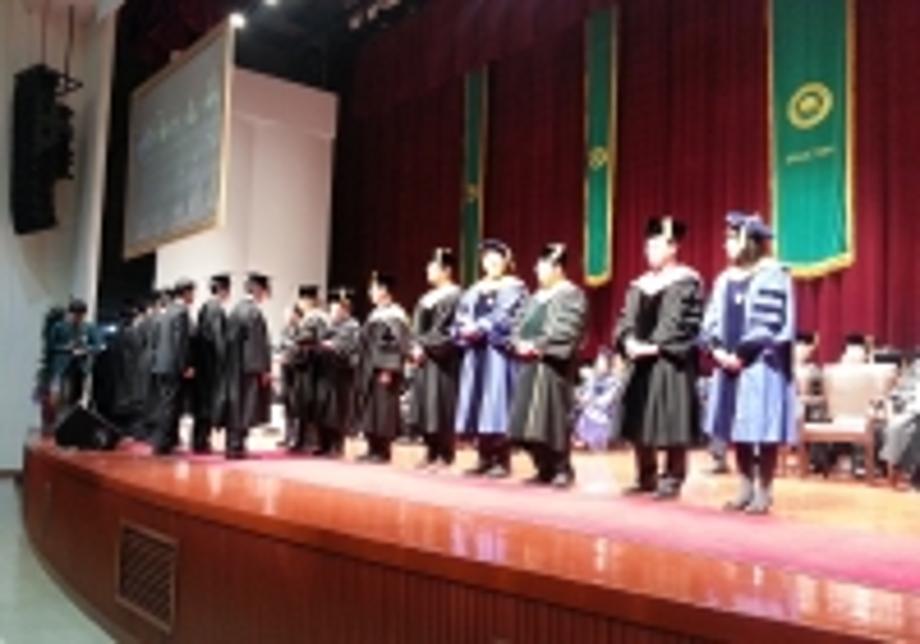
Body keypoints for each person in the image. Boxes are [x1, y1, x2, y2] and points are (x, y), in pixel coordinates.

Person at [703, 211, 797, 514]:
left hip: (760, 365)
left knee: (763, 431)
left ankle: (764, 491)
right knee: (737, 428)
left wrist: (742, 355)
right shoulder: (724, 280)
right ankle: (744, 488)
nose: (725, 245)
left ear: (749, 241)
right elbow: (711, 322)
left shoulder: (773, 274)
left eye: (731, 238)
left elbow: (771, 322)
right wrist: (718, 351)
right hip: (728, 365)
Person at [614, 217, 703, 500]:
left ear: (673, 247)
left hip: (669, 362)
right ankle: (646, 475)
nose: (648, 250)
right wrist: (628, 340)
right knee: (640, 417)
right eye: (647, 245)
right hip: (640, 360)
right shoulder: (639, 285)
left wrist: (655, 347)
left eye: (655, 245)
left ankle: (673, 477)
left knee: (671, 418)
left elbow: (681, 323)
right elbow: (625, 319)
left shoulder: (686, 281)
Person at [509, 243, 588, 487]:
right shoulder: (535, 298)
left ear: (557, 268)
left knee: (552, 418)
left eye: (541, 265)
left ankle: (562, 468)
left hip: (554, 367)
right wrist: (518, 342)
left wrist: (538, 345)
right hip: (530, 364)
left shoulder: (571, 295)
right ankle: (543, 467)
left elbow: (568, 329)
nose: (536, 270)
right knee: (526, 420)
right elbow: (518, 324)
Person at [454, 239, 528, 478]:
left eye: (496, 259)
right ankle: (484, 456)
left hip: (498, 354)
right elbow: (461, 316)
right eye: (487, 259)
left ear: (506, 262)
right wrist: (463, 329)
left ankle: (501, 459)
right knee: (476, 402)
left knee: (497, 404)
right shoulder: (473, 290)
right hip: (476, 354)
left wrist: (482, 327)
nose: (491, 263)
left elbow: (509, 317)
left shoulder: (515, 288)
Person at [408, 247, 462, 470]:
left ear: (447, 270)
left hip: (443, 361)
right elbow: (415, 329)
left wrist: (424, 345)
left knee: (441, 404)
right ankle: (430, 450)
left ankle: (445, 453)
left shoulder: (455, 296)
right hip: (424, 359)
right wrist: (414, 346)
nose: (427, 270)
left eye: (432, 267)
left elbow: (448, 331)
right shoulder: (426, 298)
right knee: (425, 405)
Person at [354, 272, 410, 463]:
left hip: (382, 370)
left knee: (383, 408)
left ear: (384, 290)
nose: (370, 292)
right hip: (369, 369)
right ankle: (372, 447)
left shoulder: (395, 315)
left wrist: (388, 368)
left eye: (373, 288)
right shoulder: (375, 315)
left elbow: (395, 344)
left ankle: (382, 450)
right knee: (371, 408)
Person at [226, 272, 273, 459]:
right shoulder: (253, 312)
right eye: (264, 290)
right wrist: (263, 369)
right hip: (248, 369)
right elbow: (256, 343)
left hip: (234, 367)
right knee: (246, 406)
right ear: (257, 289)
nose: (265, 295)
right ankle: (237, 446)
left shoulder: (236, 309)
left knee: (236, 405)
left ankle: (233, 444)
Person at [150, 279, 196, 456]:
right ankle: (163, 444)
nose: (193, 296)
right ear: (185, 292)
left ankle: (163, 441)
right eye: (192, 292)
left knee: (164, 404)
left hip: (161, 365)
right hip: (173, 366)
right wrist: (185, 366)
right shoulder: (181, 312)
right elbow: (180, 343)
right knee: (171, 406)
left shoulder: (166, 311)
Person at [314, 287, 361, 457]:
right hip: (325, 372)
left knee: (338, 410)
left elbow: (351, 348)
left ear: (345, 310)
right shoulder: (329, 326)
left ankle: (336, 444)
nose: (332, 313)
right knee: (323, 407)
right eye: (331, 309)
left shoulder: (353, 326)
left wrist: (333, 346)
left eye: (336, 310)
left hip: (342, 374)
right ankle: (323, 443)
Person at [192, 273, 232, 454]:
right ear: (223, 290)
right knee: (208, 404)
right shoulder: (216, 309)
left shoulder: (204, 307)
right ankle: (202, 440)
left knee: (202, 403)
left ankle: (199, 439)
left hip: (202, 363)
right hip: (211, 365)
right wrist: (224, 361)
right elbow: (218, 339)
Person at [290, 285, 330, 453]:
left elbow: (317, 343)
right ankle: (302, 439)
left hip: (314, 369)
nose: (299, 303)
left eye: (301, 300)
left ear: (309, 300)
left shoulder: (317, 318)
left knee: (311, 403)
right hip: (305, 367)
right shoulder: (308, 318)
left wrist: (301, 349)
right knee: (303, 403)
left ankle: (313, 441)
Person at [48, 299, 102, 419]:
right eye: (75, 314)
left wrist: (85, 349)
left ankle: (72, 419)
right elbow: (51, 346)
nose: (77, 318)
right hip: (62, 367)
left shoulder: (90, 328)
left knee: (77, 397)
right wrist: (66, 348)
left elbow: (98, 346)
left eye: (80, 315)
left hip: (81, 367)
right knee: (60, 395)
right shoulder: (59, 327)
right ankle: (59, 418)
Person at [574, 348, 623, 452]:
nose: (599, 365)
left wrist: (588, 401)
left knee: (597, 449)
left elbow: (606, 401)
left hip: (602, 422)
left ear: (609, 365)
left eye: (602, 362)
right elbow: (585, 394)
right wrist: (580, 396)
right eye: (598, 362)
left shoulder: (615, 382)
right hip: (587, 418)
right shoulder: (592, 378)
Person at [277, 304, 304, 447]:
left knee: (296, 405)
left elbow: (300, 350)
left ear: (296, 315)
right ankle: (287, 436)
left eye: (289, 314)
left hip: (297, 372)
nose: (286, 317)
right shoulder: (285, 330)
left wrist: (290, 355)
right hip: (285, 370)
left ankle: (297, 437)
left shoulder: (302, 330)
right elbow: (280, 347)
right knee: (287, 404)